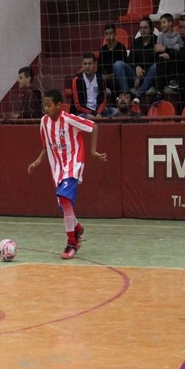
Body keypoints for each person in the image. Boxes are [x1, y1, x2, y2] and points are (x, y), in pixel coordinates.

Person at [27, 89, 107, 260]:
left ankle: (72, 243)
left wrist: (93, 151)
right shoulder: (44, 122)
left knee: (64, 199)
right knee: (64, 206)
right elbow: (45, 146)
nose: (46, 108)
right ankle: (76, 228)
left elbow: (94, 127)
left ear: (58, 105)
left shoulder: (69, 119)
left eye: (49, 105)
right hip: (58, 168)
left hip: (74, 162)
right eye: (44, 105)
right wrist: (38, 161)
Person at [113, 17, 158, 104]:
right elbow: (129, 60)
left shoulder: (157, 41)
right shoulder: (136, 42)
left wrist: (140, 76)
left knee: (155, 67)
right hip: (135, 74)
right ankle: (126, 94)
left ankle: (138, 95)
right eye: (140, 28)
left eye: (145, 28)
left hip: (149, 76)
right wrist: (136, 67)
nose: (142, 30)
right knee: (118, 64)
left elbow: (158, 62)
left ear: (151, 29)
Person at [70, 52, 116, 118]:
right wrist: (94, 113)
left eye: (90, 63)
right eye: (85, 64)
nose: (87, 66)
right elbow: (78, 105)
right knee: (89, 117)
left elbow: (103, 100)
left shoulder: (100, 79)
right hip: (81, 112)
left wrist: (98, 113)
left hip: (98, 111)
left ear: (94, 64)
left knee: (115, 111)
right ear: (82, 65)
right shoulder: (77, 80)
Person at [154, 13, 185, 93]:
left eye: (164, 22)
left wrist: (168, 51)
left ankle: (173, 81)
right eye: (161, 23)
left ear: (170, 23)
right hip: (164, 59)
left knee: (176, 59)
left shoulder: (177, 35)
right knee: (161, 60)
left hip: (174, 58)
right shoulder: (161, 35)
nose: (162, 25)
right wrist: (164, 53)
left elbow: (180, 49)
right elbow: (158, 49)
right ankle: (159, 90)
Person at [98, 24, 127, 101]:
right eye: (106, 34)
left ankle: (116, 103)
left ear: (115, 34)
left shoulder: (121, 48)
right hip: (106, 78)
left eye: (111, 33)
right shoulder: (103, 50)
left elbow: (123, 69)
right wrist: (102, 77)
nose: (108, 36)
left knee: (113, 82)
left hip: (118, 78)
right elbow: (100, 69)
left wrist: (109, 76)